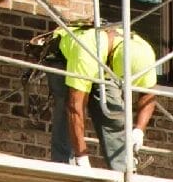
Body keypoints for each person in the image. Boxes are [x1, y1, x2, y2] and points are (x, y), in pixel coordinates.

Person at [45, 24, 157, 171]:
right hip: (66, 58)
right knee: (66, 114)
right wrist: (82, 156)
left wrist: (139, 130)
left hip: (104, 67)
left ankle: (124, 170)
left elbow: (149, 94)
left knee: (114, 115)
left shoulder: (144, 54)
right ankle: (66, 168)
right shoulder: (87, 52)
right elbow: (75, 107)